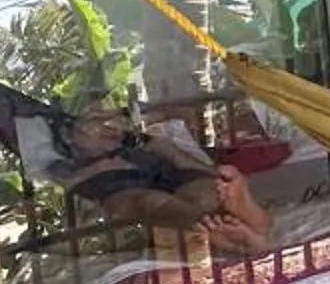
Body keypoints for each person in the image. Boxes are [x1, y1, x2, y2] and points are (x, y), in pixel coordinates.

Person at [45, 103, 273, 256]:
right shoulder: (65, 163)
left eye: (110, 117)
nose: (107, 124)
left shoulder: (140, 143)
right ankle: (221, 226)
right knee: (151, 203)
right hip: (118, 185)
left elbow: (182, 160)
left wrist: (212, 173)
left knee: (207, 190)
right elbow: (68, 184)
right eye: (95, 119)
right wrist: (99, 166)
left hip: (167, 174)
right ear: (67, 134)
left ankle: (243, 216)